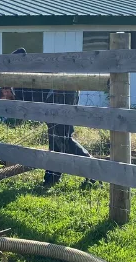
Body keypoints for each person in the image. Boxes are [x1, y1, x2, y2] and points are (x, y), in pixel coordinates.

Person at [7, 47, 93, 187]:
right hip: (56, 97)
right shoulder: (19, 79)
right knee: (56, 139)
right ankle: (51, 178)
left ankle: (92, 170)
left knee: (62, 138)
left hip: (61, 94)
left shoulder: (28, 71)